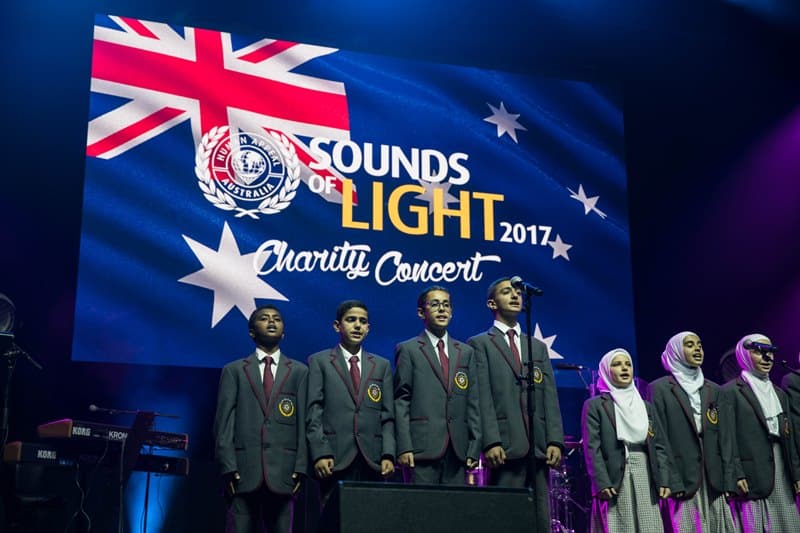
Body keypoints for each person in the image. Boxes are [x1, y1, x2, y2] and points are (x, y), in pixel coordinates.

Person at [468, 277, 564, 531]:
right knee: (505, 518)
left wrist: (554, 439)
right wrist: (490, 441)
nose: (515, 295)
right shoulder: (479, 344)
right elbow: (481, 396)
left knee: (540, 518)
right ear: (492, 303)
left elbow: (549, 395)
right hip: (505, 445)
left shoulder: (536, 347)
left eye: (518, 292)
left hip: (538, 445)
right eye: (506, 292)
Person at [213, 304, 308, 533]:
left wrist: (301, 467)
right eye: (264, 318)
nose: (272, 321)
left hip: (284, 472)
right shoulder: (234, 370)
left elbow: (305, 423)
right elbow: (223, 424)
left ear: (284, 332)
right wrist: (228, 466)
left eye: (277, 318)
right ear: (251, 331)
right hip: (243, 472)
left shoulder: (300, 371)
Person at [306, 299, 395, 507]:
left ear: (368, 328)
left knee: (370, 519)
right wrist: (320, 452)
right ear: (337, 326)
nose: (357, 325)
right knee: (334, 520)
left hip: (371, 459)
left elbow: (388, 416)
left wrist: (388, 453)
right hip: (334, 458)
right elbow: (313, 412)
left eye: (362, 321)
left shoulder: (381, 365)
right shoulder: (319, 362)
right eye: (351, 320)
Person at [394, 285, 481, 485]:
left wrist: (474, 446)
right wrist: (404, 446)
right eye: (434, 305)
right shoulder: (408, 350)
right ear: (420, 312)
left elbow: (473, 403)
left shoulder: (465, 352)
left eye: (446, 305)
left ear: (451, 311)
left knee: (455, 510)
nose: (442, 309)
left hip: (457, 449)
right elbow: (401, 400)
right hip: (421, 449)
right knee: (422, 512)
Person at [650, 331, 736, 532]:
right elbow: (659, 439)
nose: (697, 348)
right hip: (683, 475)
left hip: (714, 475)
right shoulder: (660, 389)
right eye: (690, 345)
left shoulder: (713, 389)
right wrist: (669, 479)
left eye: (699, 344)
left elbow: (725, 438)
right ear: (677, 352)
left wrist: (730, 477)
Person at [582, 348, 674, 533]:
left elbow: (659, 445)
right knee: (619, 524)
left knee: (650, 525)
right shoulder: (595, 405)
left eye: (628, 364)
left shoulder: (645, 406)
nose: (624, 368)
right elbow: (592, 448)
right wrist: (601, 482)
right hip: (615, 474)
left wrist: (664, 479)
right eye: (617, 364)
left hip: (645, 471)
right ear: (607, 371)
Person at [722, 333, 800, 532]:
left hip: (781, 466)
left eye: (770, 352)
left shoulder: (779, 393)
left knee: (788, 523)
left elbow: (788, 437)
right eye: (759, 352)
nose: (767, 358)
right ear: (744, 355)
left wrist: (796, 473)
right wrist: (736, 474)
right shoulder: (730, 391)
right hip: (752, 470)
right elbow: (727, 437)